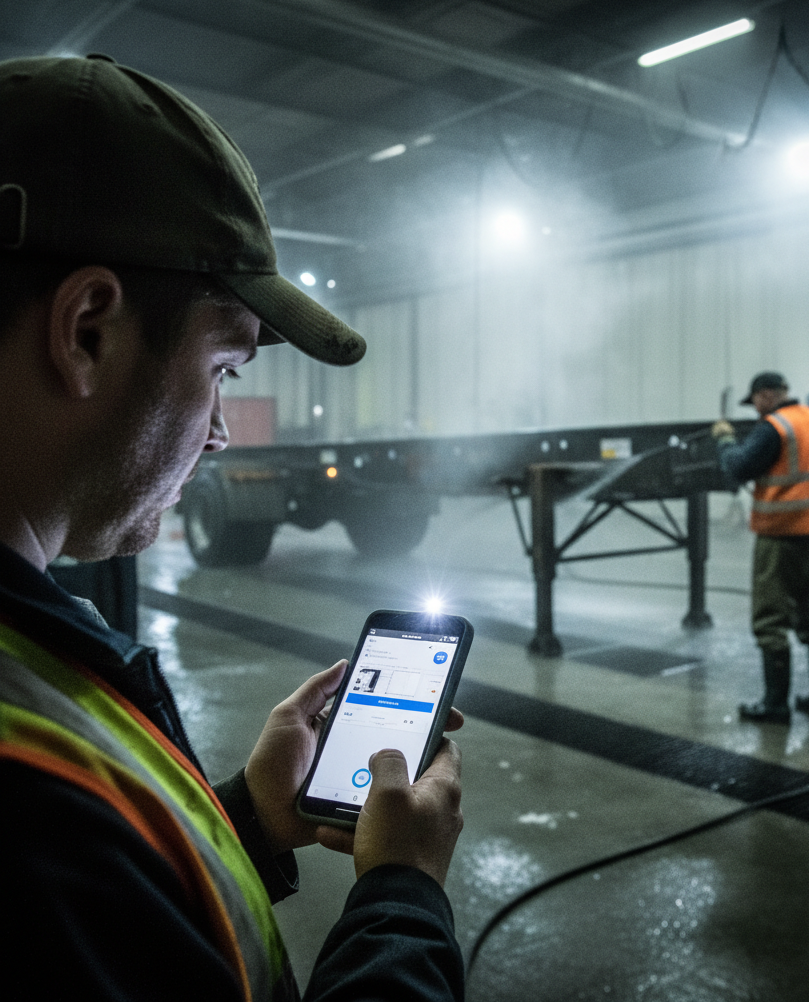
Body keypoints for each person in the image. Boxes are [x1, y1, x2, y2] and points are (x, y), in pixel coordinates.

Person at [0, 55, 465, 1000]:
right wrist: (402, 893)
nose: (217, 432)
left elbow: (115, 930)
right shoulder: (28, 797)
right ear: (88, 329)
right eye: (224, 368)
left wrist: (248, 816)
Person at [711, 371, 809, 724]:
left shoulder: (774, 428)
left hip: (782, 532)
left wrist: (724, 441)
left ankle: (775, 705)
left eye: (756, 403)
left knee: (770, 619)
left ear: (766, 395)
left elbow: (738, 468)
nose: (756, 411)